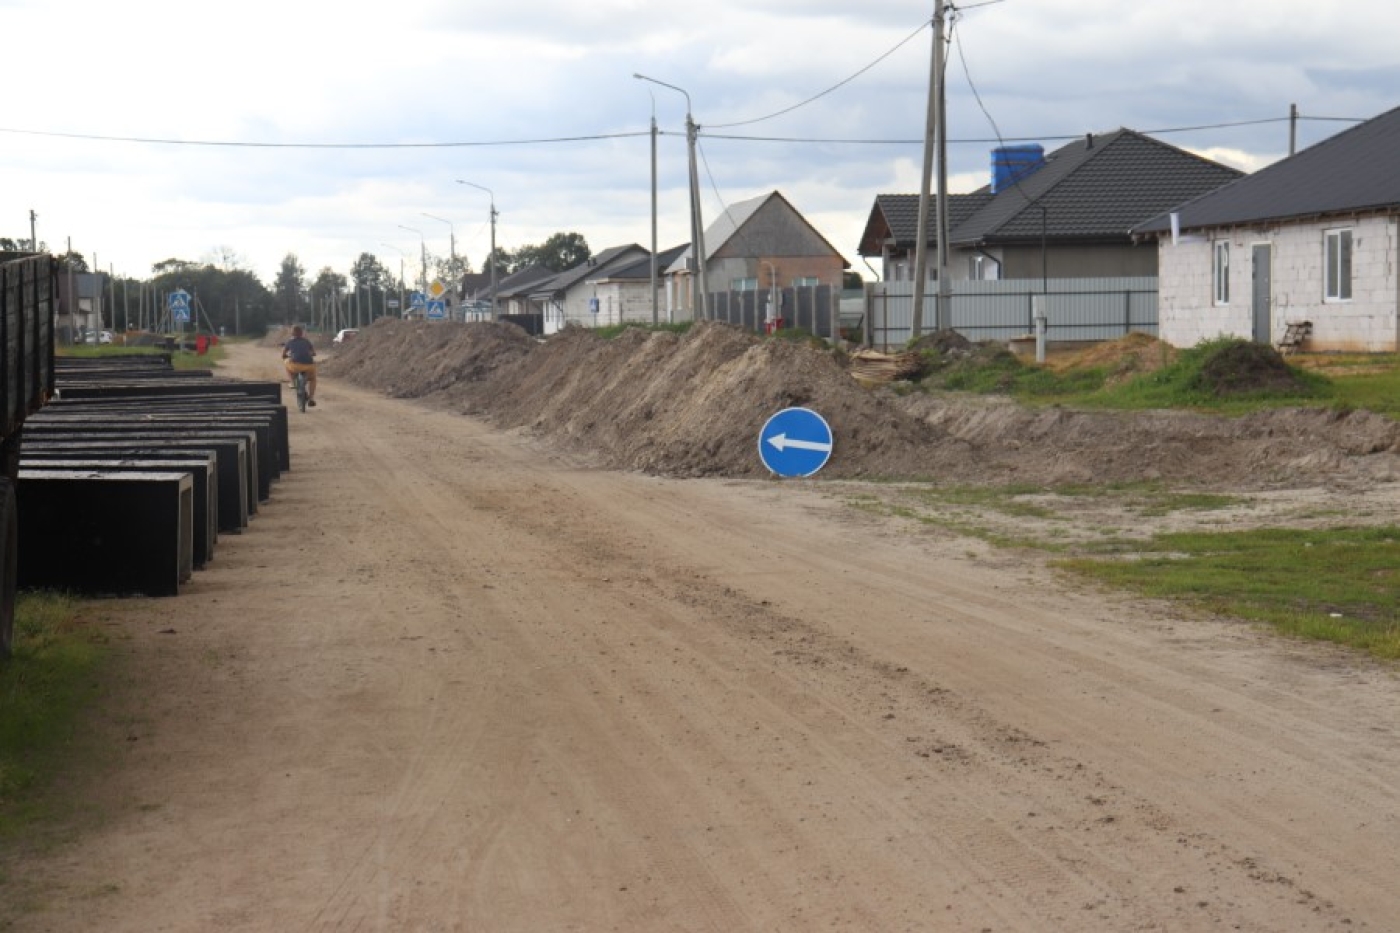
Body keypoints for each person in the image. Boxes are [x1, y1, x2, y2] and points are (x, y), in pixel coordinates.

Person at [281, 324, 318, 407]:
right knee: (313, 379)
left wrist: (285, 356)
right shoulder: (307, 341)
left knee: (286, 363)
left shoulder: (290, 342)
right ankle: (311, 398)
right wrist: (311, 354)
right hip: (309, 367)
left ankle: (293, 382)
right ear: (301, 333)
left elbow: (283, 354)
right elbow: (313, 352)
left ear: (292, 333)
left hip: (295, 366)